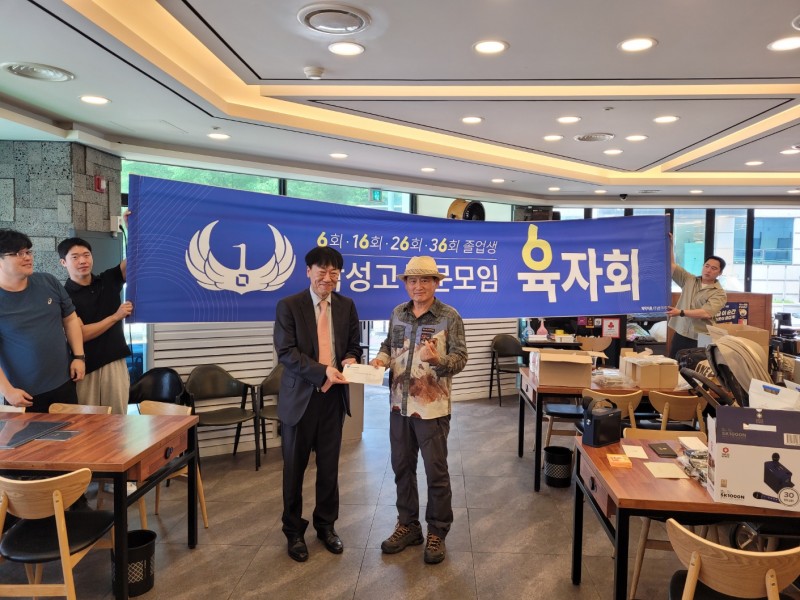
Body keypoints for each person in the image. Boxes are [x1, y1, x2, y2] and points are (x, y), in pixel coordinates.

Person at [369, 255, 468, 564]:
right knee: (402, 467)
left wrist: (438, 360)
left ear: (436, 283)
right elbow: (388, 345)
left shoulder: (449, 316)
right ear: (406, 284)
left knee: (436, 472)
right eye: (412, 280)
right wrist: (381, 359)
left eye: (425, 280)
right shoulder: (398, 313)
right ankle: (408, 525)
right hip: (398, 405)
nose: (418, 286)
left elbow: (461, 358)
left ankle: (437, 531)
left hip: (431, 408)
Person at [274, 246, 363, 562]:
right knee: (294, 469)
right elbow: (286, 353)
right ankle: (293, 531)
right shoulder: (289, 306)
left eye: (334, 272)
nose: (328, 278)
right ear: (308, 271)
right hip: (300, 399)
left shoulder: (346, 305)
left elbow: (353, 345)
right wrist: (323, 370)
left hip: (333, 400)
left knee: (329, 468)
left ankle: (326, 526)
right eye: (322, 271)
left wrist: (351, 359)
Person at [0, 229, 85, 412]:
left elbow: (70, 319)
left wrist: (79, 357)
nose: (27, 257)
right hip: (23, 394)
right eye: (18, 253)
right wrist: (7, 391)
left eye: (28, 252)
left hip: (64, 383)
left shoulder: (48, 282)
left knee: (73, 430)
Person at [57, 236, 132, 415]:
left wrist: (133, 230)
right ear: (63, 262)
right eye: (75, 257)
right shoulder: (64, 296)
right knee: (87, 421)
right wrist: (115, 317)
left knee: (118, 419)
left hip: (114, 362)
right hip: (85, 368)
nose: (83, 261)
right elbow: (80, 334)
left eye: (86, 255)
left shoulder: (108, 279)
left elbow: (135, 260)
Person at [666, 237, 727, 359]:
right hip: (681, 333)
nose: (708, 270)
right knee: (674, 364)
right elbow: (671, 265)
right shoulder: (689, 280)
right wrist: (670, 243)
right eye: (707, 266)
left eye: (714, 268)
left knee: (696, 367)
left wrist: (681, 312)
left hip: (701, 337)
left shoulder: (719, 293)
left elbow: (706, 313)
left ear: (720, 273)